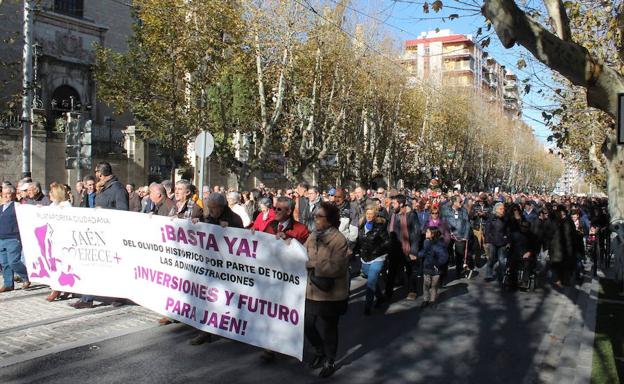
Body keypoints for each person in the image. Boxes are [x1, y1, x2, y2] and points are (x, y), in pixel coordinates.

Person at [71, 162, 129, 309]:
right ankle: (88, 298)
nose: (96, 177)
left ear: (100, 174)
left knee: (111, 267)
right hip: (98, 233)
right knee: (93, 265)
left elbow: (124, 211)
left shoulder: (118, 189)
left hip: (111, 233)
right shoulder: (102, 188)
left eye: (97, 173)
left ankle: (119, 295)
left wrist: (104, 210)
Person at [189, 192, 243, 345]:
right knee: (208, 300)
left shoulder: (234, 219)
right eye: (209, 208)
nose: (211, 211)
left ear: (222, 207)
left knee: (226, 301)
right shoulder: (209, 217)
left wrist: (230, 229)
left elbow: (242, 242)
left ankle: (234, 329)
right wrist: (195, 222)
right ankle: (206, 331)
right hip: (211, 267)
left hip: (228, 269)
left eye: (213, 208)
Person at [304, 201, 349, 378]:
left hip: (331, 294)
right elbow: (302, 252)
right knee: (307, 325)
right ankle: (319, 349)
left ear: (330, 220)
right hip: (311, 290)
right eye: (315, 216)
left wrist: (312, 264)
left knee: (329, 328)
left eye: (319, 216)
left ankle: (330, 360)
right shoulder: (312, 236)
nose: (315, 219)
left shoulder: (338, 240)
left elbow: (337, 267)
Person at [386, 194, 421, 301]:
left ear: (401, 204)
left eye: (394, 203)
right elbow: (389, 229)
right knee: (391, 272)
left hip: (407, 248)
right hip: (394, 248)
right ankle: (388, 293)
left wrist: (414, 251)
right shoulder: (393, 214)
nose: (392, 205)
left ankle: (412, 291)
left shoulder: (411, 215)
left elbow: (416, 234)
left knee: (411, 271)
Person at [357, 206, 390, 315]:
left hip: (378, 257)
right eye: (367, 214)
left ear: (375, 215)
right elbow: (360, 241)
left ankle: (368, 306)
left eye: (372, 214)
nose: (369, 216)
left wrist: (377, 250)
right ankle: (380, 297)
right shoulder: (361, 225)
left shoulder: (380, 226)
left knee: (371, 281)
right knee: (367, 274)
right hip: (366, 257)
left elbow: (387, 242)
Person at [0, 184, 31, 292]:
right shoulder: (1, 207)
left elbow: (29, 211)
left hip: (13, 238)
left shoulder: (17, 206)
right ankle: (8, 283)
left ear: (13, 195)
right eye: (4, 194)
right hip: (1, 238)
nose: (6, 196)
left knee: (14, 262)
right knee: (4, 263)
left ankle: (26, 276)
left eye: (8, 194)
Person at [419, 227, 448, 308]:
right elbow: (424, 252)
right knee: (426, 285)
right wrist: (418, 254)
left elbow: (444, 256)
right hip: (427, 267)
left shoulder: (439, 244)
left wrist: (438, 264)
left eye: (427, 232)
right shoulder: (426, 242)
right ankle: (425, 300)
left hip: (436, 270)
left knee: (434, 286)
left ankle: (432, 301)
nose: (425, 233)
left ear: (432, 234)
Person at [445, 196, 472, 279]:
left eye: (461, 201)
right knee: (446, 253)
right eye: (459, 202)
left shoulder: (464, 211)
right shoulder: (447, 210)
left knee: (459, 254)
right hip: (449, 235)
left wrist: (466, 236)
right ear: (454, 203)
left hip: (460, 235)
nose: (461, 203)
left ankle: (458, 271)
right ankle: (444, 272)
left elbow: (467, 224)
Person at [484, 202, 510, 282]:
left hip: (502, 242)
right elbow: (487, 231)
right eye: (501, 209)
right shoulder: (491, 218)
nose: (503, 210)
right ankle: (488, 274)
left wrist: (507, 239)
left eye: (503, 209)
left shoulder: (505, 218)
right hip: (492, 242)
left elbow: (508, 230)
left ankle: (502, 276)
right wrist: (487, 242)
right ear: (496, 210)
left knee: (502, 260)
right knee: (491, 259)